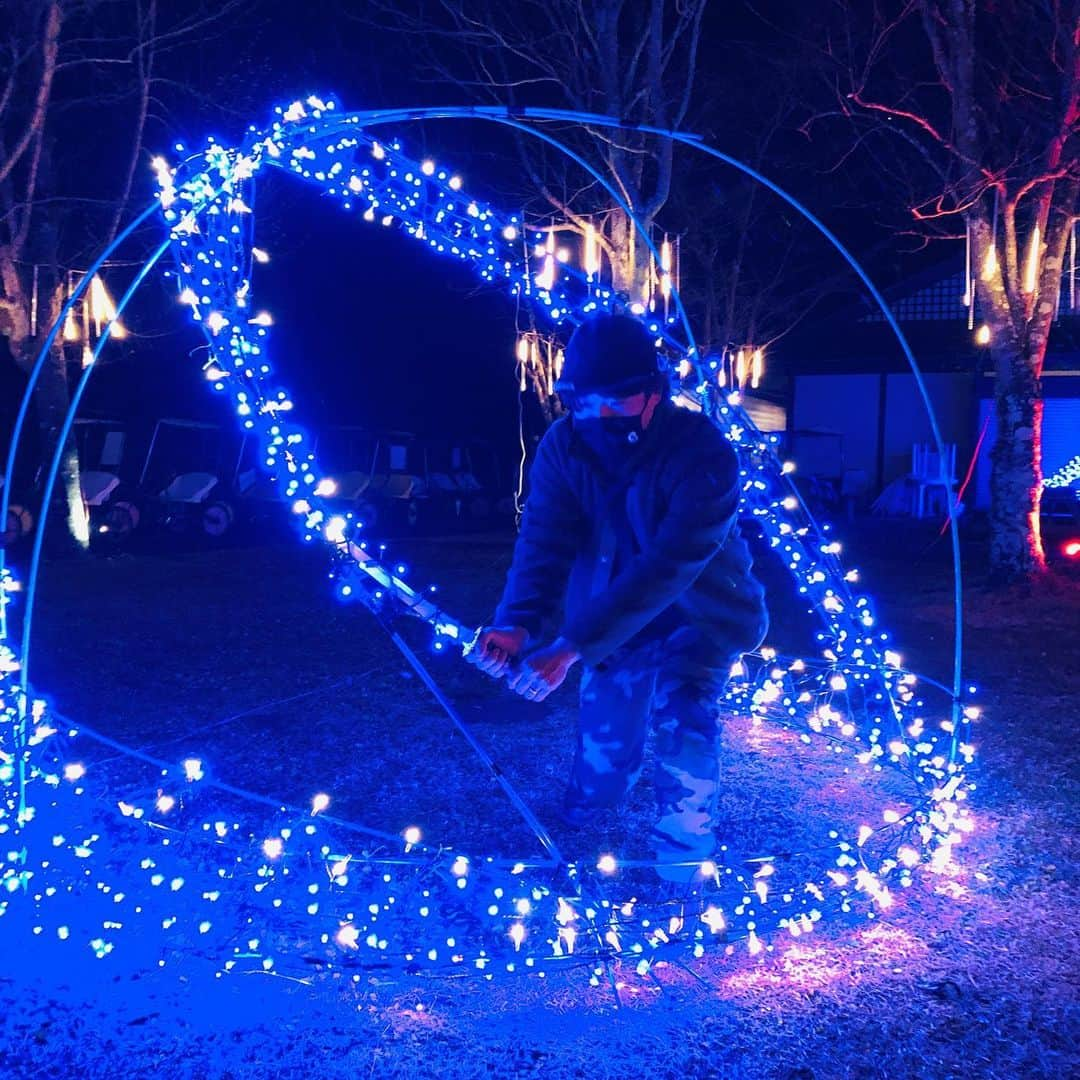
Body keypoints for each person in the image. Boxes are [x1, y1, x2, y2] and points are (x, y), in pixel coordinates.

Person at [468, 313, 768, 880]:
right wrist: (517, 623)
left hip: (698, 615)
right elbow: (545, 540)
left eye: (619, 401)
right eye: (587, 402)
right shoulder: (564, 446)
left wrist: (571, 646)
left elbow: (671, 566)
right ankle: (591, 816)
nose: (602, 416)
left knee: (686, 719)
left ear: (654, 392)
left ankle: (683, 855)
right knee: (606, 747)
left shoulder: (703, 453)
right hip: (608, 619)